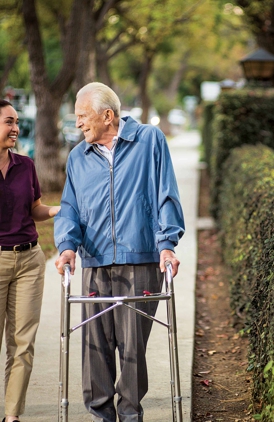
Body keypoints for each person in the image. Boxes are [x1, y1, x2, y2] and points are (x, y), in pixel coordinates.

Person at [54, 82, 185, 422]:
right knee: (94, 349)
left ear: (107, 115)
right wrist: (67, 247)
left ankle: (130, 415)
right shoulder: (77, 158)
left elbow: (165, 194)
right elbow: (69, 209)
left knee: (131, 349)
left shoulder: (149, 141)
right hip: (95, 263)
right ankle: (101, 416)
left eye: (83, 116)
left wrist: (167, 245)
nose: (79, 123)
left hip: (140, 260)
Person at [0, 99, 60, 422]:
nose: (15, 128)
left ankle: (12, 416)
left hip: (29, 260)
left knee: (22, 344)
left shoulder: (26, 165)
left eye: (16, 122)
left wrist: (56, 211)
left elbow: (35, 208)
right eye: (9, 122)